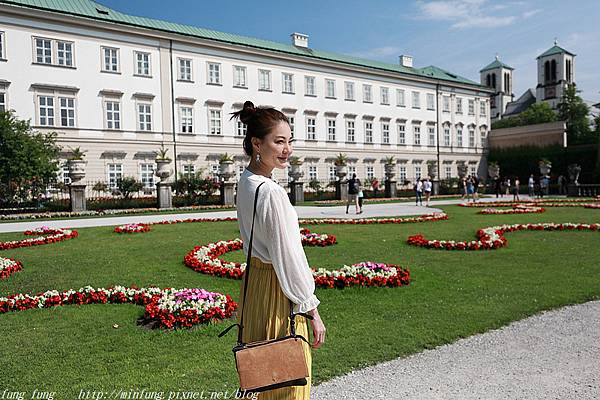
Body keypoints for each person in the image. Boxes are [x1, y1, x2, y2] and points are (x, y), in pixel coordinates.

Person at [231, 101, 325, 399]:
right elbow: (289, 258)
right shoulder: (270, 192)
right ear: (257, 143)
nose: (287, 149)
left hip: (255, 288)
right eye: (279, 141)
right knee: (288, 382)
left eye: (289, 141)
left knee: (263, 377)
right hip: (276, 292)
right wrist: (312, 310)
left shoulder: (247, 182)